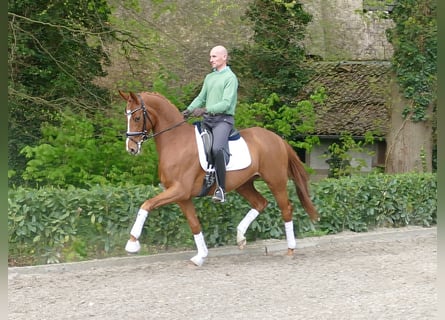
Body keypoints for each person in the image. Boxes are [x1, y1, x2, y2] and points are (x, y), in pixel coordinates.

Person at [182, 45, 238, 203]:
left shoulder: (230, 78)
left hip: (223, 120)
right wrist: (188, 110)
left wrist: (206, 109)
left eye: (214, 57)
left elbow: (226, 104)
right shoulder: (209, 77)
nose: (210, 60)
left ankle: (221, 189)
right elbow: (201, 97)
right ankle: (205, 177)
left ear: (224, 57)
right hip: (208, 120)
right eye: (210, 57)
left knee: (216, 148)